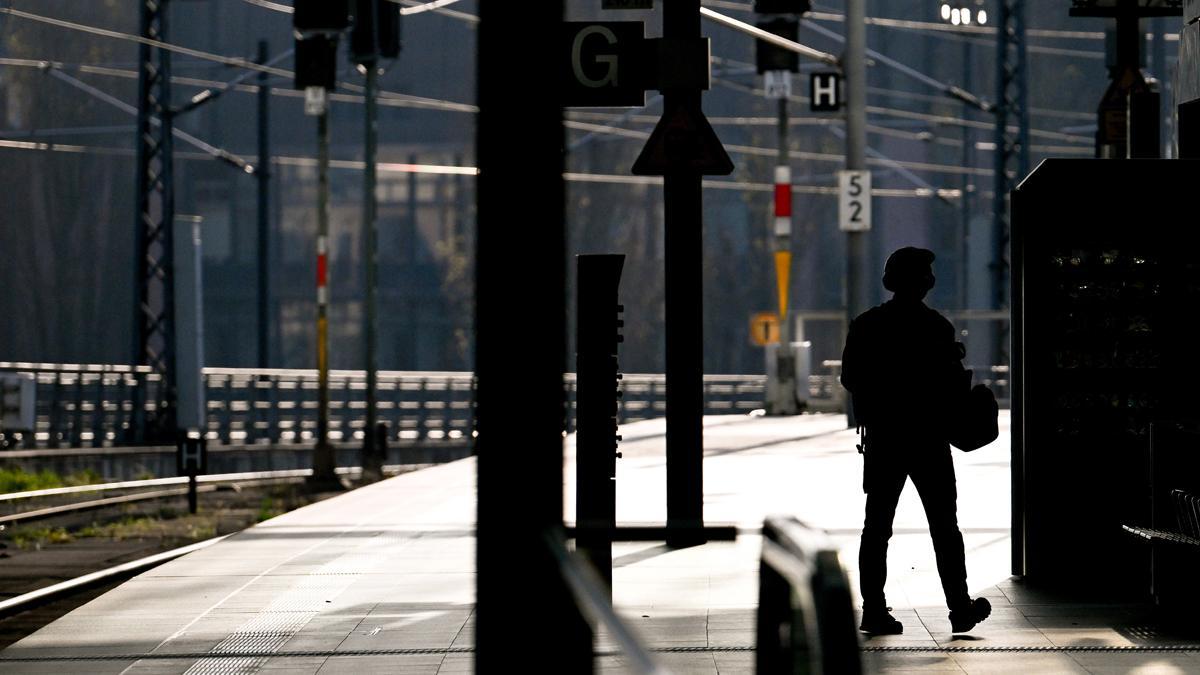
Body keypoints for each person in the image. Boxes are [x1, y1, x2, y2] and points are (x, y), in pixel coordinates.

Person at [840, 246, 991, 635]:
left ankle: (873, 609)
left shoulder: (866, 324)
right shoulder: (936, 327)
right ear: (923, 282)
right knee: (944, 526)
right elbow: (951, 384)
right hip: (929, 439)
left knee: (876, 527)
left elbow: (849, 378)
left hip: (884, 439)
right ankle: (959, 607)